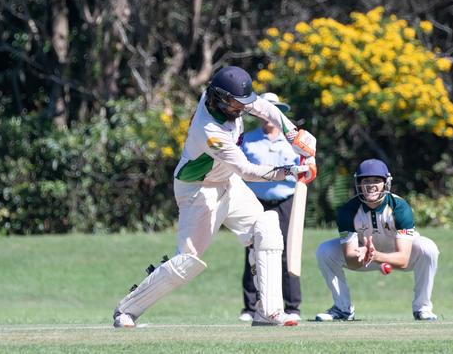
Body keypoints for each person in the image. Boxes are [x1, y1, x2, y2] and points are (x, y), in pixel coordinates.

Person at [112, 66, 317, 328]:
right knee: (187, 261)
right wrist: (291, 171)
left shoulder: (233, 102)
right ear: (219, 98)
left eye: (243, 102)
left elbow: (265, 108)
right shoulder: (209, 129)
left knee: (266, 228)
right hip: (199, 190)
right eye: (235, 103)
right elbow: (246, 170)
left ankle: (268, 311)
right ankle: (126, 311)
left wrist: (293, 134)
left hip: (227, 182)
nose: (241, 108)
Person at [314, 159, 439, 321]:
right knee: (325, 251)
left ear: (386, 183)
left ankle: (422, 308)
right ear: (358, 183)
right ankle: (342, 308)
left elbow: (403, 259)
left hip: (397, 254)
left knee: (428, 248)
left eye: (376, 181)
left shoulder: (400, 207)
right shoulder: (348, 211)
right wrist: (364, 255)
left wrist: (376, 255)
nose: (371, 185)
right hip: (363, 255)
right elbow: (351, 262)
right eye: (366, 180)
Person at [238, 92, 302, 322]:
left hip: (286, 200)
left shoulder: (293, 140)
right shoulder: (249, 138)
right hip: (257, 201)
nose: (268, 117)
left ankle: (292, 306)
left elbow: (303, 167)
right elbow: (240, 169)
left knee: (287, 250)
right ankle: (251, 306)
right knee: (254, 251)